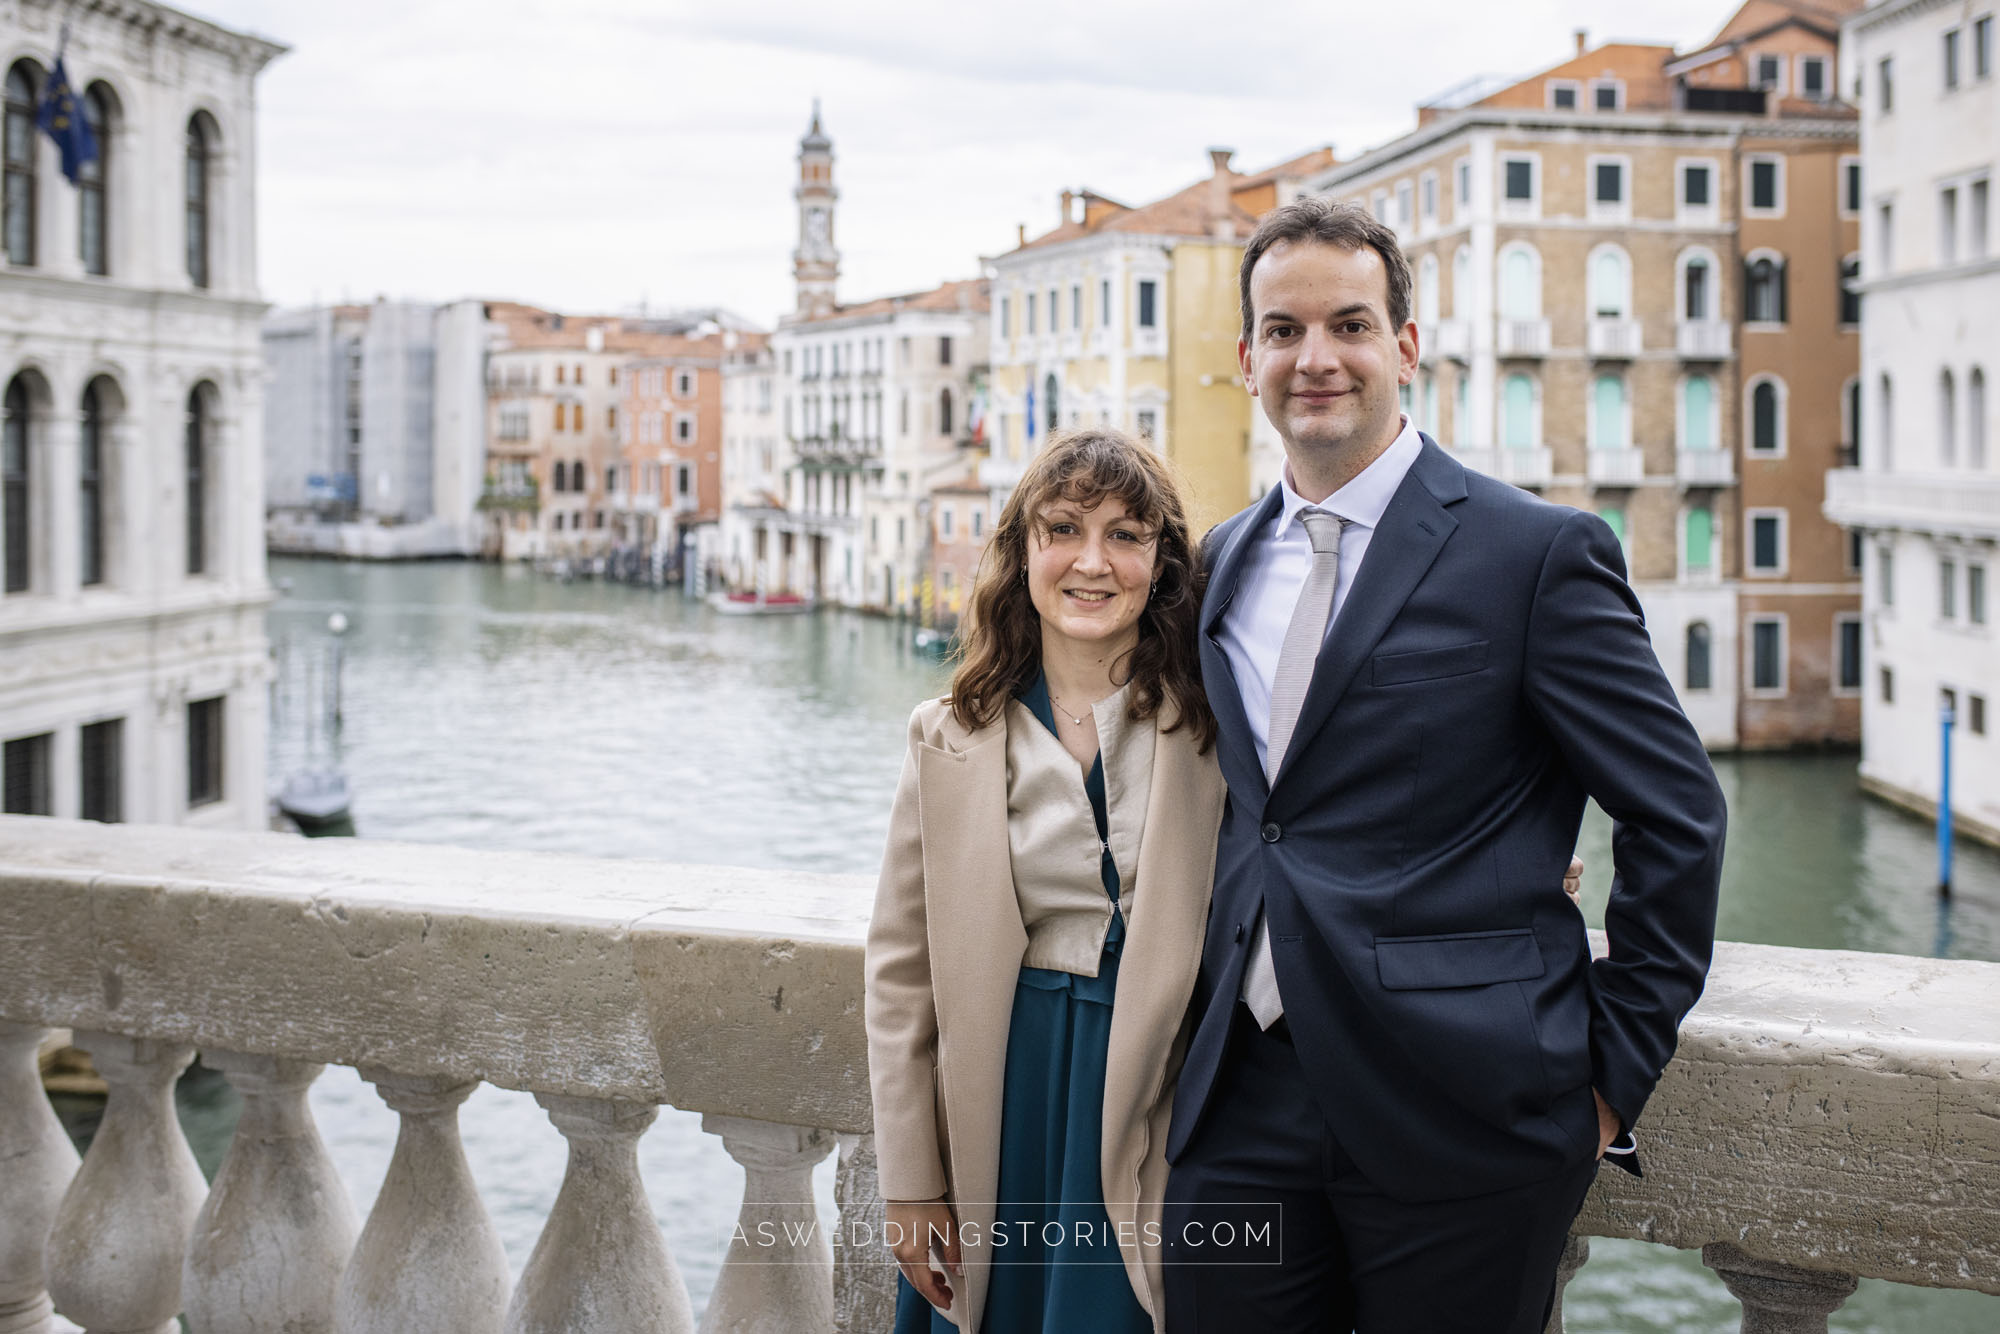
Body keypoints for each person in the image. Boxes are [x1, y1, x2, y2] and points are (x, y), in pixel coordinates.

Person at [1161, 197, 1727, 1333]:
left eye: (1349, 325)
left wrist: (1612, 1074)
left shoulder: (1536, 553)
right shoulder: (1220, 560)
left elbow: (1677, 814)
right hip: (1240, 1098)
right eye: (1283, 331)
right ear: (1248, 359)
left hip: (1466, 1110)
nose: (1315, 358)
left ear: (1405, 347)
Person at [865, 428, 1225, 1334]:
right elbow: (901, 976)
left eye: (1125, 535)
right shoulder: (946, 735)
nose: (1091, 562)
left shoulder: (1216, 732)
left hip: (1159, 1092)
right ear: (1023, 551)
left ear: (1162, 563)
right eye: (1063, 529)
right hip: (1002, 1090)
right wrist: (911, 1182)